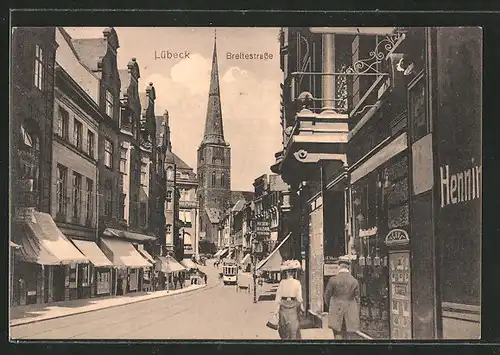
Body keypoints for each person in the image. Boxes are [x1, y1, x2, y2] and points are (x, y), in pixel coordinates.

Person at [323, 256, 360, 340]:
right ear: (348, 267)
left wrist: (331, 305)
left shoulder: (333, 280)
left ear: (339, 266)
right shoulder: (354, 281)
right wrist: (356, 310)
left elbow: (326, 296)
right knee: (349, 335)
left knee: (337, 334)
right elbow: (358, 299)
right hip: (350, 311)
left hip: (336, 310)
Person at [273, 260, 304, 340]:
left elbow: (278, 297)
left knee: (285, 328)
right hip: (291, 305)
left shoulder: (283, 282)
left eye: (290, 271)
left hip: (285, 306)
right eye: (289, 271)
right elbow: (299, 297)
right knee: (292, 327)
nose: (289, 273)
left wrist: (276, 311)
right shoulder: (296, 282)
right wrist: (302, 307)